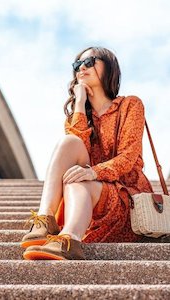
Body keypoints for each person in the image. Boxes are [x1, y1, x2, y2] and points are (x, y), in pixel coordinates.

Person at [20, 46, 153, 260]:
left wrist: (94, 172)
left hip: (126, 201)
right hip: (88, 202)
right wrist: (80, 104)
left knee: (78, 178)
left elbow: (128, 157)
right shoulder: (77, 116)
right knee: (69, 144)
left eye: (90, 61)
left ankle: (69, 237)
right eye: (77, 65)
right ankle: (46, 220)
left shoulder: (130, 105)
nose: (82, 67)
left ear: (109, 67)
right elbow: (76, 152)